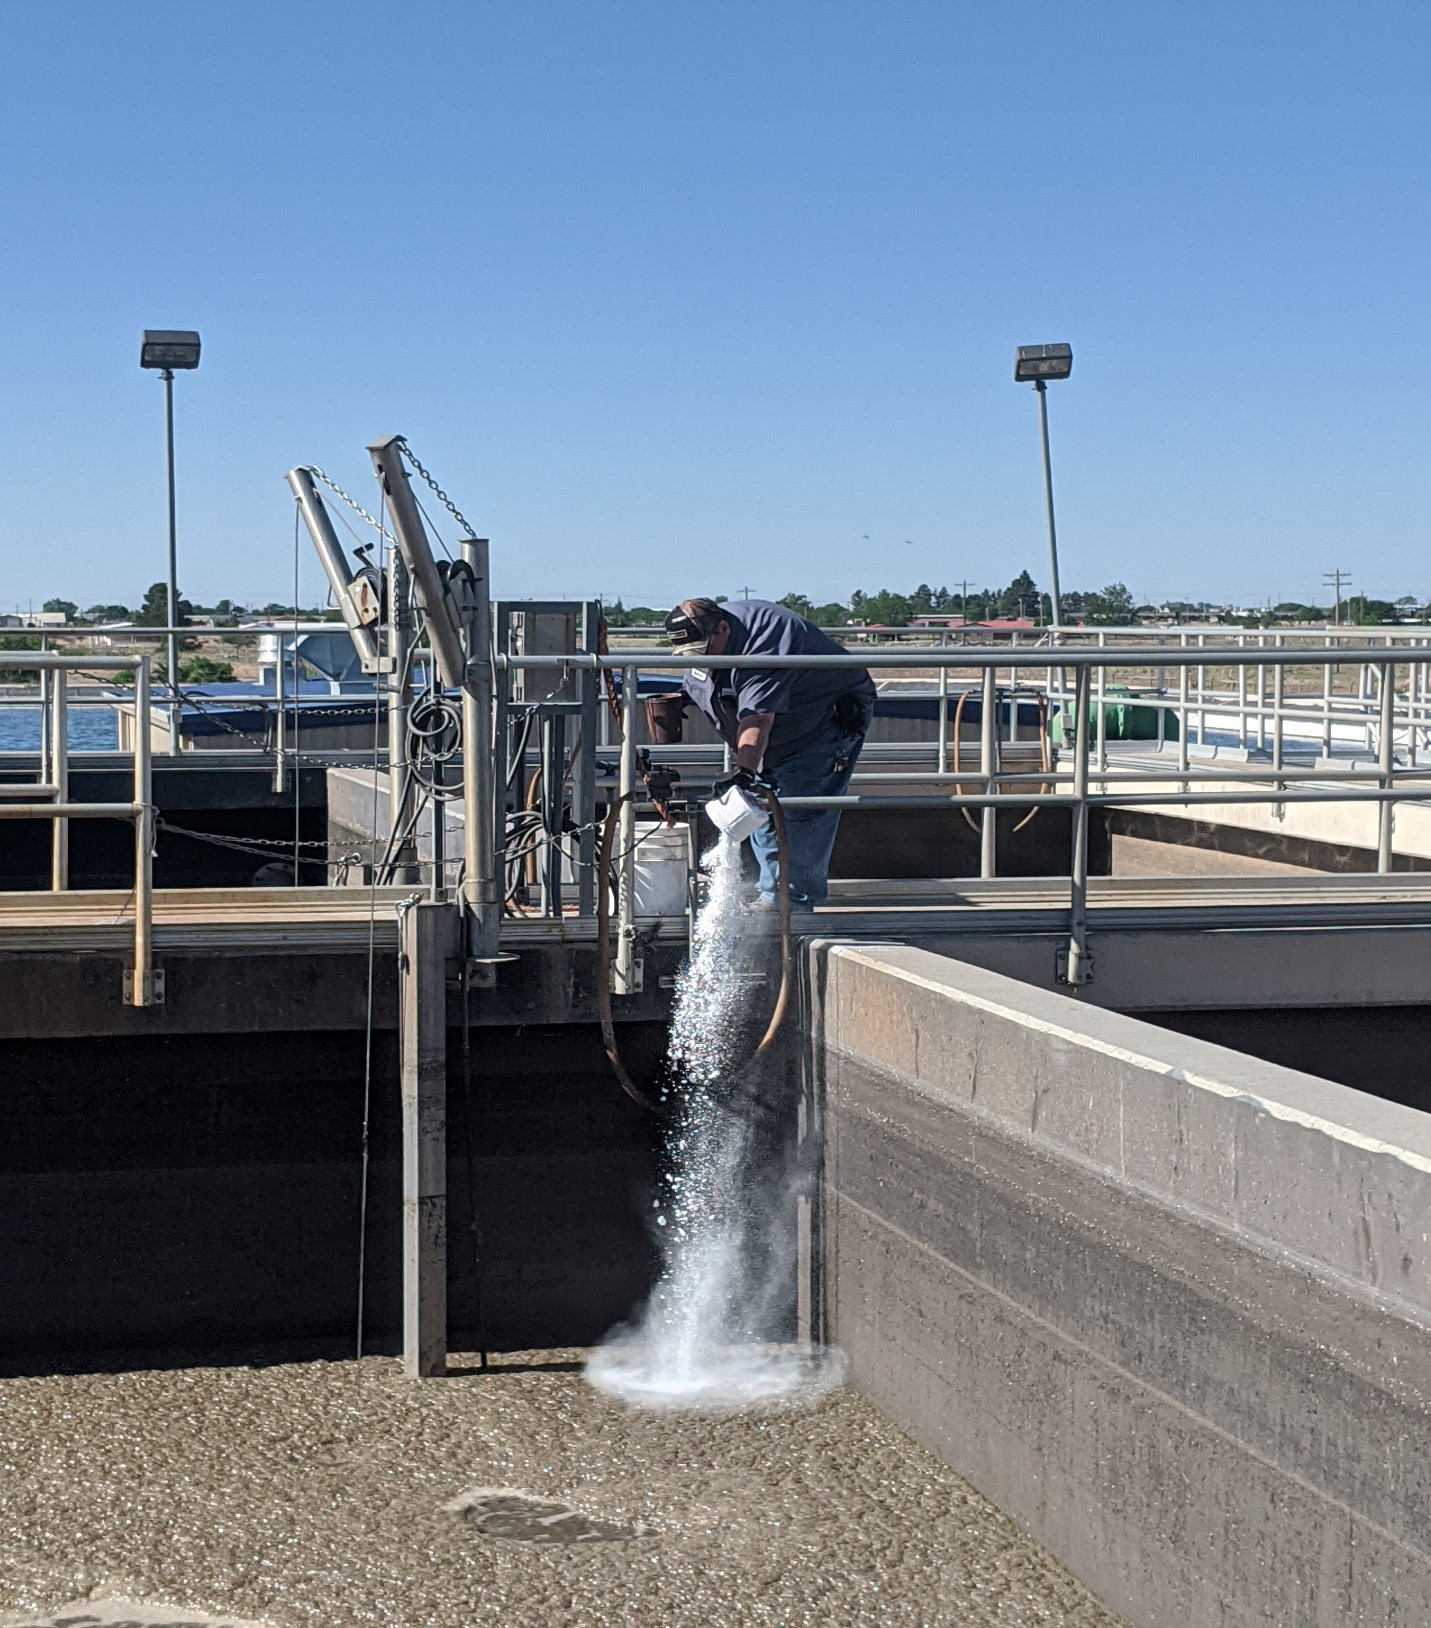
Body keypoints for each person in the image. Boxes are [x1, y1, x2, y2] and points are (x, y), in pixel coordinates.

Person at [664, 597, 876, 909]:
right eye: (688, 657)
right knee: (760, 805)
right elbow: (707, 682)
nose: (698, 661)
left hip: (819, 725)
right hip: (767, 736)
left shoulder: (765, 640)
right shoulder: (711, 643)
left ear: (723, 628)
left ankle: (793, 905)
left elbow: (758, 718)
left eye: (701, 652)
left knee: (800, 810)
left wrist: (745, 772)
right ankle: (771, 895)